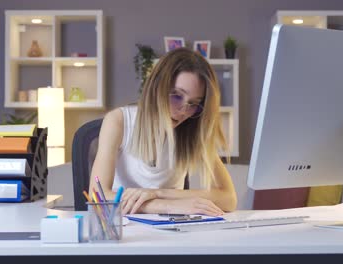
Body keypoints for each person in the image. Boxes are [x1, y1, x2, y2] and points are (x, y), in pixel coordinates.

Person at [89, 47, 237, 216]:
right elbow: (97, 198)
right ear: (157, 87)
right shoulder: (118, 121)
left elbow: (229, 199)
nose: (183, 111)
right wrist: (168, 206)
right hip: (121, 230)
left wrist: (158, 193)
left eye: (194, 104)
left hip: (171, 233)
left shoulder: (192, 131)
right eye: (176, 95)